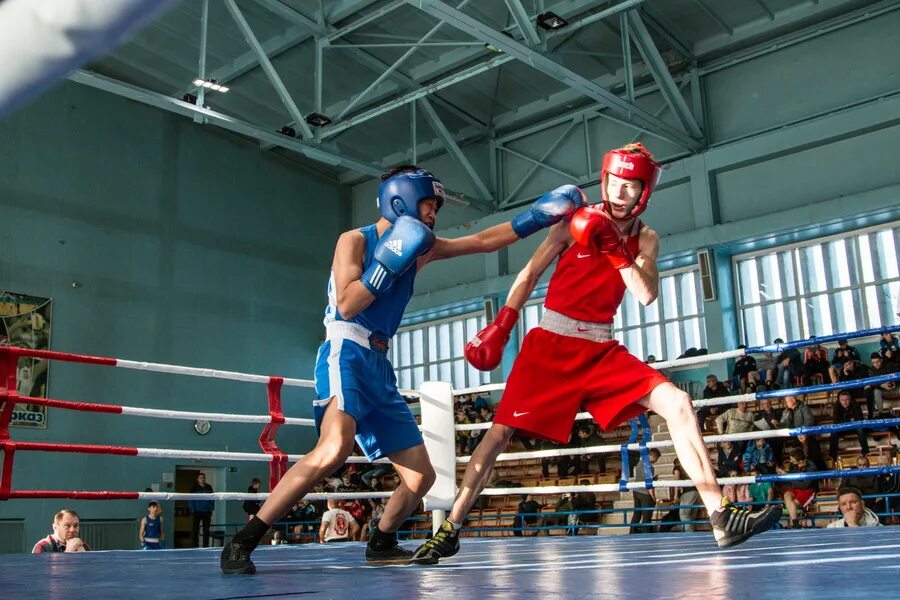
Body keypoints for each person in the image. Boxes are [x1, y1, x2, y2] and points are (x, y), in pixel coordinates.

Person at [409, 144, 780, 565]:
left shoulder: (647, 238)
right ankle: (450, 528)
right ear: (605, 181)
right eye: (615, 183)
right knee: (498, 435)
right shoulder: (572, 223)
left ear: (644, 191)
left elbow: (646, 294)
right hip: (551, 342)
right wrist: (503, 323)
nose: (620, 193)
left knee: (678, 402)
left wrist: (615, 251)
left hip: (602, 349)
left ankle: (719, 514)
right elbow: (530, 272)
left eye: (630, 186)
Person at [220, 166, 584, 574]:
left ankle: (381, 541)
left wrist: (537, 217)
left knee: (420, 477)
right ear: (401, 200)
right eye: (429, 204)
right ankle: (244, 540)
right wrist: (388, 262)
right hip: (347, 349)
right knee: (333, 449)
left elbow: (482, 241)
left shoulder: (423, 246)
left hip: (380, 362)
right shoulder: (355, 240)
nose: (433, 214)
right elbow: (346, 304)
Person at [828, 390, 869, 460]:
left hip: (854, 427)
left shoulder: (855, 405)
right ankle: (832, 456)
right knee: (833, 431)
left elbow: (859, 419)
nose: (845, 402)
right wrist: (850, 421)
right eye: (842, 400)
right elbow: (835, 422)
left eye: (846, 400)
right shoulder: (837, 407)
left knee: (860, 430)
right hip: (843, 428)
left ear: (850, 400)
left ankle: (865, 452)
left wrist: (844, 422)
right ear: (839, 401)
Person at [630, 448, 661, 534]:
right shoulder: (649, 467)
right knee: (646, 516)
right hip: (645, 493)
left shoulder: (640, 463)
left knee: (637, 514)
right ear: (653, 456)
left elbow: (642, 478)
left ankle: (632, 534)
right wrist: (653, 496)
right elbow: (649, 484)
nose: (656, 461)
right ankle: (645, 535)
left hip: (636, 491)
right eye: (656, 459)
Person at [189, 472, 214, 548]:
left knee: (206, 530)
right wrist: (193, 509)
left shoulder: (209, 487)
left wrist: (211, 508)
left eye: (203, 478)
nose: (202, 479)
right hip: (197, 512)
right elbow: (191, 499)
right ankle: (194, 546)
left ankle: (205, 547)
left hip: (206, 512)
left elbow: (212, 498)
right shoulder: (194, 488)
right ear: (198, 479)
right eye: (200, 478)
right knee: (195, 530)